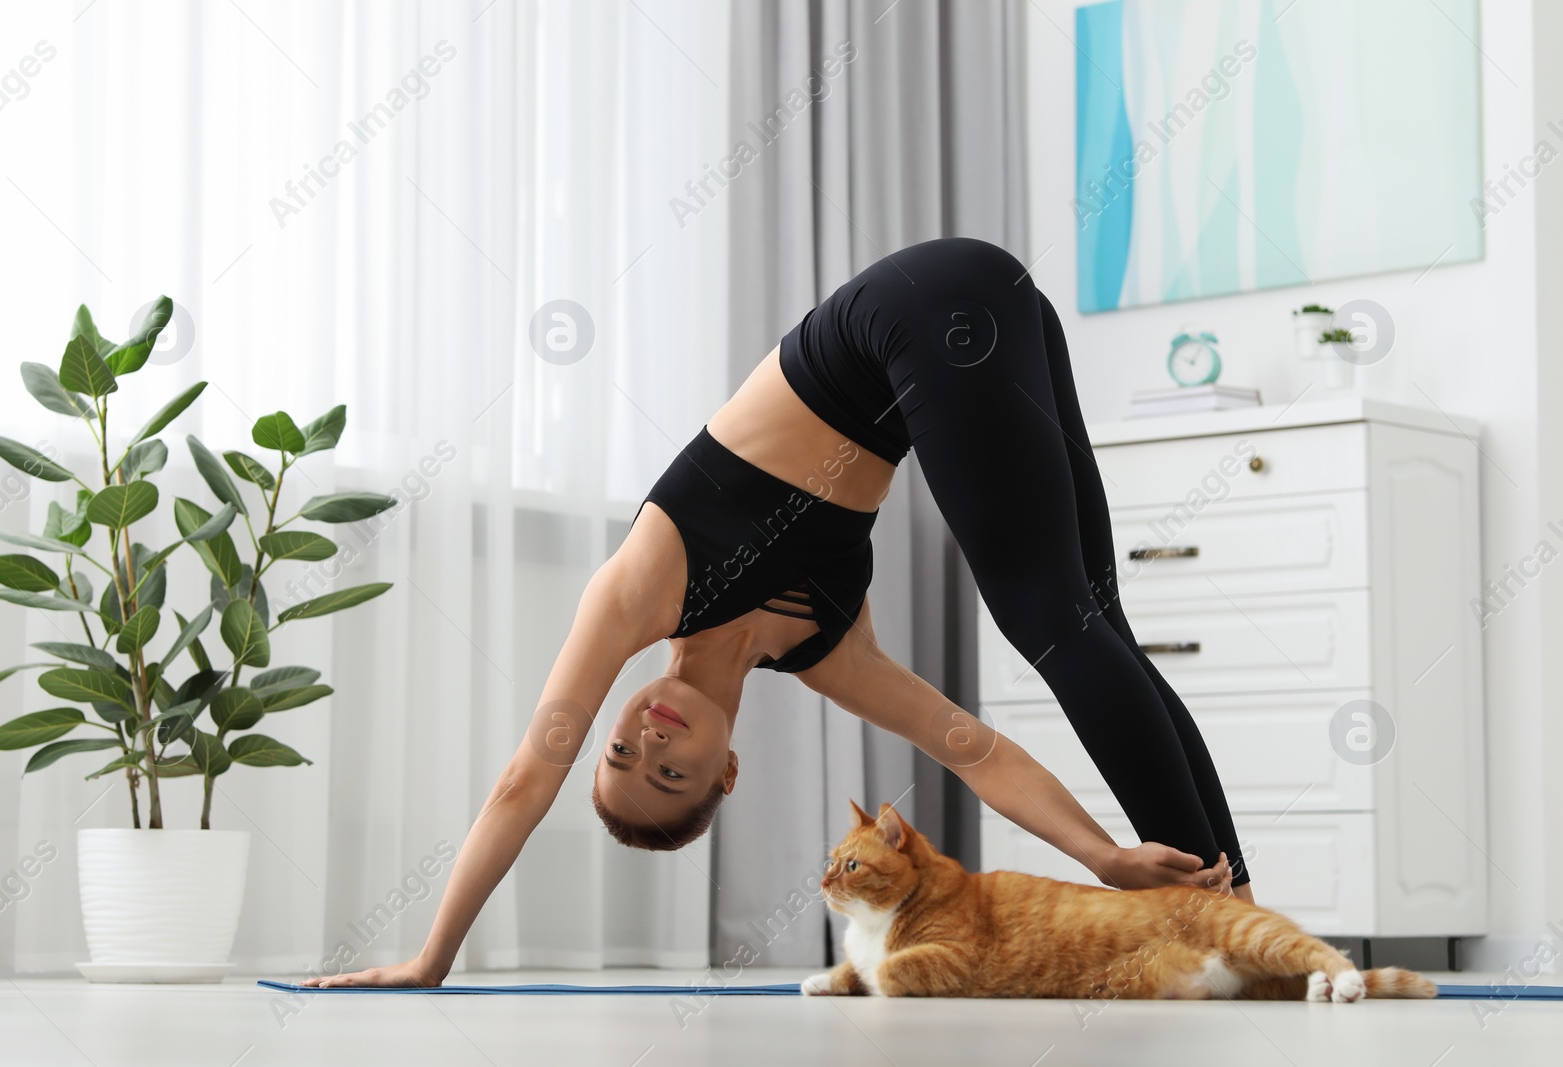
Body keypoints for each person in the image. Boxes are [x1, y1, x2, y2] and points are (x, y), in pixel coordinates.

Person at [308, 237, 1249, 989]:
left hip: (918, 312)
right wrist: (1103, 855)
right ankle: (1242, 903)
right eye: (671, 772)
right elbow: (977, 752)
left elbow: (523, 778)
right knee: (1094, 620)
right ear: (727, 770)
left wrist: (432, 958)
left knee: (1051, 618)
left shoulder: (637, 588)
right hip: (989, 303)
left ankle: (1234, 933)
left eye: (620, 752)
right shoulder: (828, 648)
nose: (647, 739)